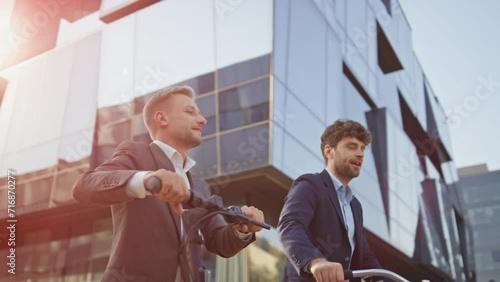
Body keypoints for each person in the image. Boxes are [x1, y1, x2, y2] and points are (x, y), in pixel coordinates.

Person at [73, 85, 265, 282]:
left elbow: (218, 242)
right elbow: (84, 186)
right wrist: (147, 180)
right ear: (162, 119)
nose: (202, 120)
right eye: (190, 112)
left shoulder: (200, 186)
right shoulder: (136, 155)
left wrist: (240, 230)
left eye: (199, 114)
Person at [278, 119, 384, 282]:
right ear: (329, 151)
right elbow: (290, 224)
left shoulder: (355, 206)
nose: (360, 154)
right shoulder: (310, 184)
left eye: (362, 148)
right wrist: (314, 261)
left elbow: (365, 258)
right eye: (351, 146)